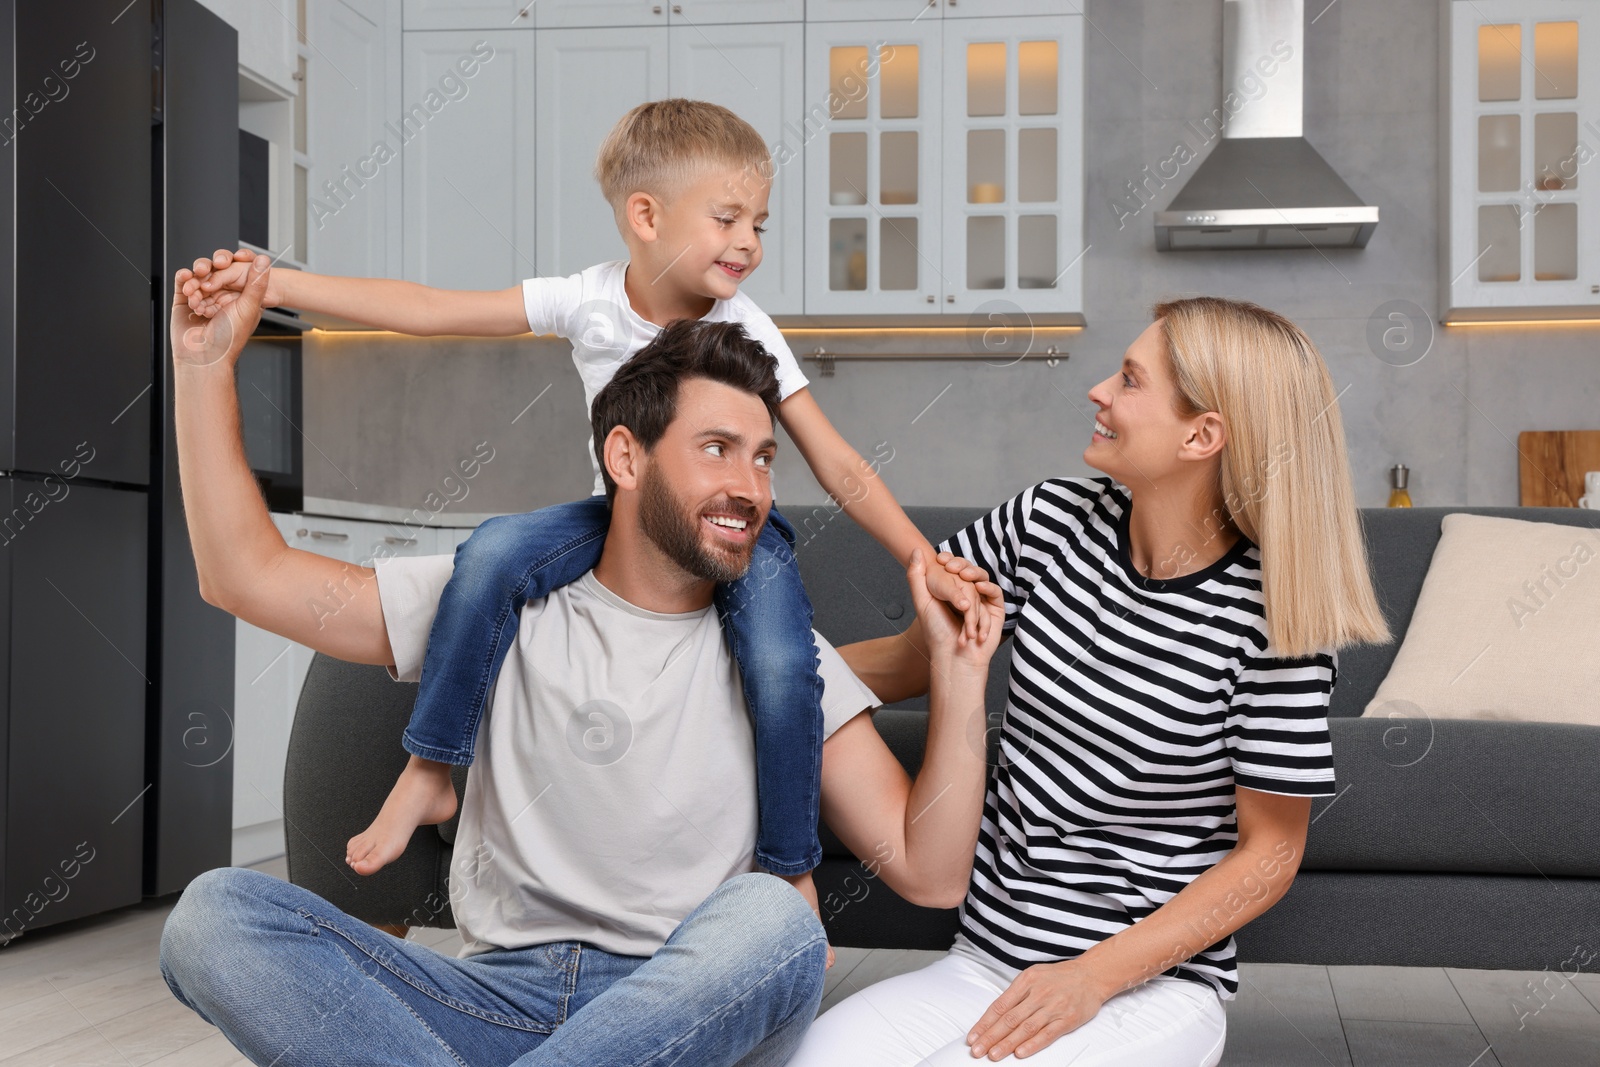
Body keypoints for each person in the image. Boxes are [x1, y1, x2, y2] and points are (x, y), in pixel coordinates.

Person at [160, 252, 1002, 1066]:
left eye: (763, 455)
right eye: (716, 448)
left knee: (774, 920)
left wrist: (959, 669)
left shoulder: (783, 654)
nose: (750, 485)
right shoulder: (489, 604)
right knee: (215, 914)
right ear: (625, 457)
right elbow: (246, 575)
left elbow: (929, 873)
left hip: (694, 1013)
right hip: (493, 1003)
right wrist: (203, 370)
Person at [180, 100, 987, 927]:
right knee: (492, 553)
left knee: (780, 665)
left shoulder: (746, 331)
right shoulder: (586, 301)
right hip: (600, 525)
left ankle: (786, 872)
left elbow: (840, 463)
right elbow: (426, 307)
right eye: (728, 217)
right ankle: (431, 765)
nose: (749, 241)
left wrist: (923, 566)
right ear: (646, 215)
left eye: (761, 452)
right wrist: (270, 287)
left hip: (709, 966)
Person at [796, 297, 1391, 1065]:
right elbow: (915, 658)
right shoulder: (1045, 521)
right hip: (985, 963)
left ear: (1202, 435)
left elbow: (1270, 854)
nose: (1099, 391)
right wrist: (771, 671)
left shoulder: (1274, 619)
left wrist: (1091, 978)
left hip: (1147, 992)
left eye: (1131, 381)